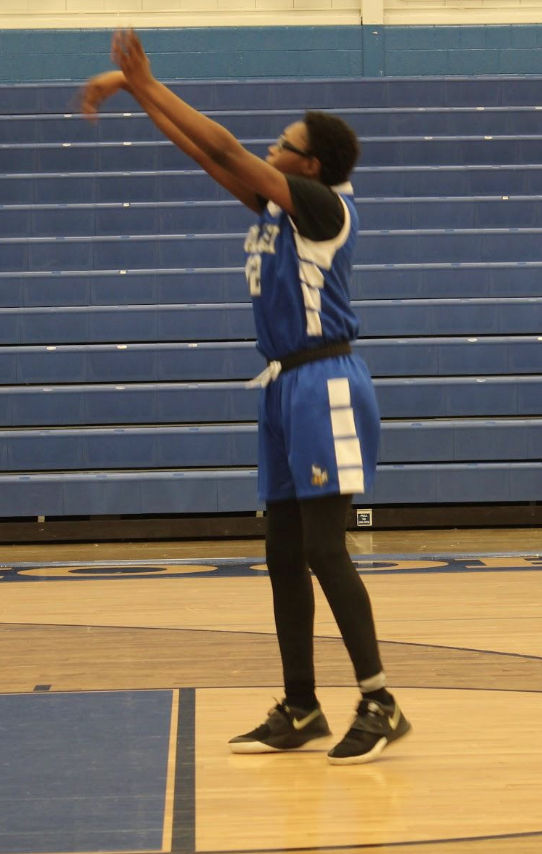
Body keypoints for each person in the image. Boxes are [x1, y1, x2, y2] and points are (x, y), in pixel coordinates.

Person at [81, 29, 410, 765]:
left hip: (325, 381)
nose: (270, 148)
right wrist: (137, 93)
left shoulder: (323, 206)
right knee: (283, 551)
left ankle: (380, 699)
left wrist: (149, 81)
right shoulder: (274, 210)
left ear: (311, 165)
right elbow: (206, 154)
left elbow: (226, 148)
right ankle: (301, 705)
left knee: (326, 547)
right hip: (284, 384)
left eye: (284, 143)